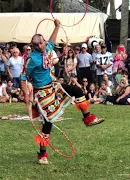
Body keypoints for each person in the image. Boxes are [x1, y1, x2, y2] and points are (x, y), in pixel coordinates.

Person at [26, 19, 104, 165]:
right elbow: (25, 77)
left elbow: (52, 40)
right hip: (42, 93)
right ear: (34, 46)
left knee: (77, 90)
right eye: (36, 44)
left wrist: (57, 26)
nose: (40, 45)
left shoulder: (48, 48)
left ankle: (87, 118)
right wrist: (28, 95)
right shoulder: (32, 59)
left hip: (53, 86)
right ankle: (42, 154)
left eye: (41, 43)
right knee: (48, 122)